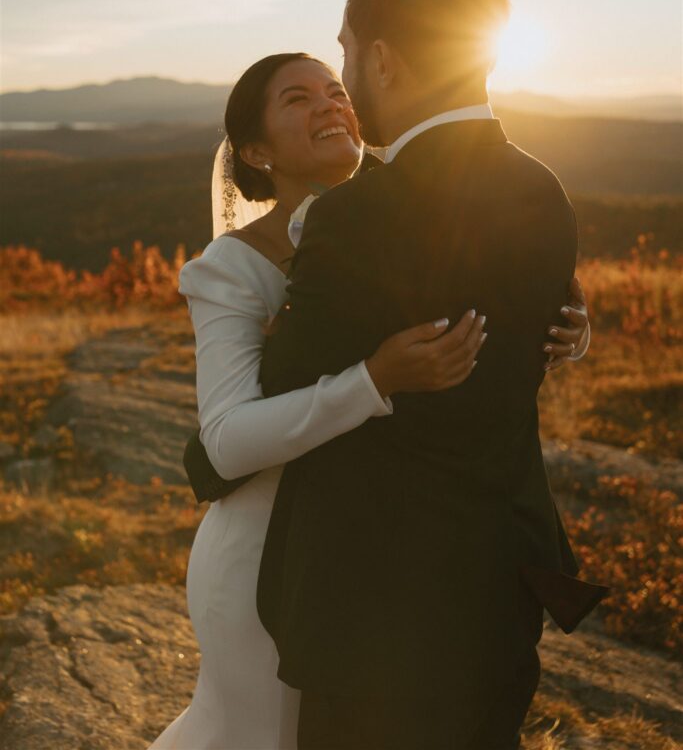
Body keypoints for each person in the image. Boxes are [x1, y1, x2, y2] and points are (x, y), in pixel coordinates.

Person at [151, 44, 591, 747]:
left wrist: (567, 328)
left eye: (332, 88)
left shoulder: (404, 217)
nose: (328, 103)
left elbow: (489, 299)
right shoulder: (232, 269)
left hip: (378, 549)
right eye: (297, 100)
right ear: (257, 152)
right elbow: (227, 440)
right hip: (269, 551)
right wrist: (373, 380)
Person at [254, 0, 607, 750]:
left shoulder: (355, 216)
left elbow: (276, 390)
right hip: (492, 599)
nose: (342, 74)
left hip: (371, 615)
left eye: (344, 51)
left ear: (381, 59)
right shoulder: (541, 190)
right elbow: (523, 350)